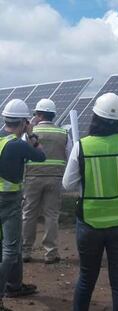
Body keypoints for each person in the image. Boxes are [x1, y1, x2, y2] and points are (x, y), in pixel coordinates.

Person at [62, 92, 118, 311]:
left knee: (87, 277)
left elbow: (68, 184)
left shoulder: (82, 146)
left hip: (91, 222)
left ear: (94, 117)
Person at [0, 99, 45, 311]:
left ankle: (14, 285)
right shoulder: (18, 145)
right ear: (23, 122)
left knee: (11, 244)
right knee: (10, 250)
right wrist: (32, 135)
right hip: (9, 201)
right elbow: (41, 155)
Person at [22, 98, 72, 264]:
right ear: (53, 115)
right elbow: (69, 154)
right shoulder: (63, 133)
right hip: (55, 178)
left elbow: (22, 154)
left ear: (39, 114)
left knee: (29, 213)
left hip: (32, 178)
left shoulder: (29, 133)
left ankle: (25, 251)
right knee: (51, 215)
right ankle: (51, 253)